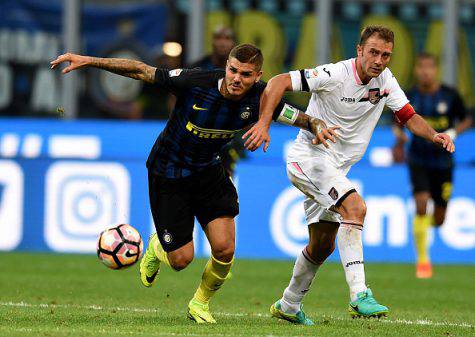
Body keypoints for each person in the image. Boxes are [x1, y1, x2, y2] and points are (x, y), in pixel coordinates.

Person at [50, 44, 338, 324]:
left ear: (258, 76)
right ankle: (158, 248)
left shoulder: (261, 99)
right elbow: (141, 70)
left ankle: (199, 303)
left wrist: (316, 125)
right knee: (180, 260)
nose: (238, 79)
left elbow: (298, 117)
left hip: (209, 171)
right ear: (226, 66)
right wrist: (88, 60)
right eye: (234, 70)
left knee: (224, 249)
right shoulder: (196, 82)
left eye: (246, 74)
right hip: (168, 172)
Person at [243, 26, 455, 325]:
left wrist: (434, 136)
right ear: (359, 50)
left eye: (386, 55)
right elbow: (277, 82)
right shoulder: (334, 74)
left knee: (322, 246)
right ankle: (359, 294)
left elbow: (408, 116)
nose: (379, 60)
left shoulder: (385, 81)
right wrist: (264, 123)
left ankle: (288, 304)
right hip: (309, 158)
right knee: (355, 208)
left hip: (336, 168)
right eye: (373, 52)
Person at [392, 52, 471, 279]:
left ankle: (427, 226)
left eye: (429, 67)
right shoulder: (410, 95)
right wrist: (400, 135)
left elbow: (466, 118)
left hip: (443, 162)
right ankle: (423, 261)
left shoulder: (450, 95)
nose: (425, 71)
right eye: (422, 67)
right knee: (420, 202)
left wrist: (454, 131)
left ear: (435, 70)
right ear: (417, 70)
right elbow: (396, 122)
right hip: (417, 159)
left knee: (439, 218)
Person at [190, 26, 244, 176]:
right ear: (212, 41)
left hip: (230, 134)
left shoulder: (244, 73)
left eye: (227, 38)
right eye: (218, 38)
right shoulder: (197, 68)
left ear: (234, 44)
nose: (222, 43)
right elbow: (176, 98)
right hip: (198, 129)